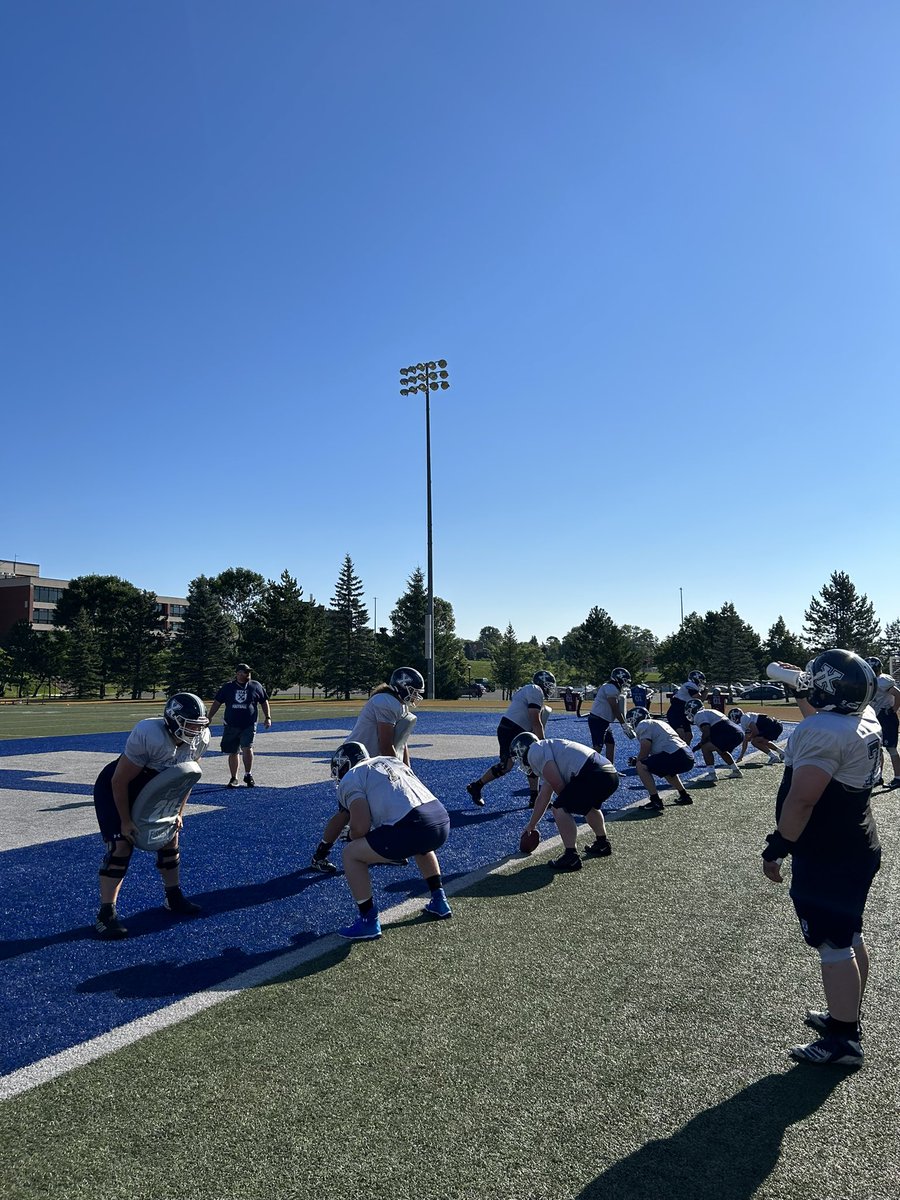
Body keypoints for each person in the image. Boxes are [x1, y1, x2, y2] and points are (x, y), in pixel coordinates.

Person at [761, 649, 882, 1067]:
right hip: (856, 841)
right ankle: (846, 1016)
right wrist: (802, 689)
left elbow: (803, 798)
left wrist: (778, 846)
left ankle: (843, 1041)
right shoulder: (861, 718)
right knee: (849, 935)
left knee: (833, 945)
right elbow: (820, 713)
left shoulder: (823, 732)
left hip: (829, 851)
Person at [92, 692, 210, 938]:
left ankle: (173, 896)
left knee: (170, 838)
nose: (195, 732)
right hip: (122, 787)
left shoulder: (200, 740)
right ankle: (106, 913)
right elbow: (119, 780)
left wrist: (178, 812)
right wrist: (125, 821)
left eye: (199, 726)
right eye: (190, 725)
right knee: (121, 846)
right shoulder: (149, 733)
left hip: (159, 788)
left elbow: (185, 778)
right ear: (173, 719)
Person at [311, 742, 452, 940]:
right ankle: (439, 899)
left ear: (346, 763)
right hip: (440, 820)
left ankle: (368, 920)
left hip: (412, 826)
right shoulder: (391, 761)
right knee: (421, 845)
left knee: (351, 854)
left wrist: (349, 835)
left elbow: (360, 827)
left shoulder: (352, 776)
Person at [513, 732, 618, 871]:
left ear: (521, 749)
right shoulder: (548, 748)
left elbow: (557, 785)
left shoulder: (535, 751)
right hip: (609, 774)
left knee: (559, 807)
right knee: (588, 806)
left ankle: (571, 856)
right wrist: (531, 825)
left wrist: (566, 805)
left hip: (593, 774)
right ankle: (602, 843)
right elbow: (544, 795)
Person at [466, 671, 556, 807]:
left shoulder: (529, 690)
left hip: (517, 729)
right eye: (548, 685)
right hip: (511, 730)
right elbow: (535, 720)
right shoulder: (535, 690)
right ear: (542, 683)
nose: (549, 688)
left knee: (532, 761)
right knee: (506, 766)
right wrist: (542, 742)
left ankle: (534, 798)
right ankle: (476, 786)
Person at [206, 663, 272, 787]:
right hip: (231, 724)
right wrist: (209, 717)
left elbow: (264, 701)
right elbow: (217, 702)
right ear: (238, 674)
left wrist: (267, 717)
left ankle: (248, 774)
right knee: (233, 751)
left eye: (248, 672)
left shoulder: (255, 685)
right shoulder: (228, 687)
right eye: (245, 672)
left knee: (247, 748)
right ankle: (233, 778)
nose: (248, 675)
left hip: (248, 723)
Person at [346, 667, 424, 765]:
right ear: (402, 686)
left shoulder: (400, 704)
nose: (416, 695)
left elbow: (401, 742)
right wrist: (398, 771)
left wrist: (407, 769)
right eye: (414, 691)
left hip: (371, 759)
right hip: (355, 759)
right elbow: (386, 746)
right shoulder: (386, 702)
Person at [626, 707, 695, 811]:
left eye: (631, 721)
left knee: (641, 766)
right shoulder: (659, 723)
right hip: (687, 755)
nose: (631, 724)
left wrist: (638, 760)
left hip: (676, 754)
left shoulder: (643, 724)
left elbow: (646, 746)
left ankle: (655, 801)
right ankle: (684, 795)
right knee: (666, 770)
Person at [685, 700, 743, 782]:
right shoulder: (709, 712)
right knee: (721, 751)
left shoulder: (699, 715)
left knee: (706, 748)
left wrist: (699, 745)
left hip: (728, 733)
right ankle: (736, 771)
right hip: (737, 733)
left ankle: (711, 774)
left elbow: (706, 732)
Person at [586, 668, 636, 764]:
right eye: (625, 681)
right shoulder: (610, 688)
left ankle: (610, 768)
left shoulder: (612, 688)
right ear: (618, 678)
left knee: (610, 744)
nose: (626, 683)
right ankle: (584, 768)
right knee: (598, 747)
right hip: (598, 719)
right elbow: (614, 708)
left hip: (603, 720)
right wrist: (624, 725)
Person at [866, 657, 900, 788]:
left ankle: (898, 777)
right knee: (877, 748)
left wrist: (893, 709)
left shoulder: (882, 680)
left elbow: (898, 694)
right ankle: (878, 776)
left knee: (891, 748)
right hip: (876, 717)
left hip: (886, 717)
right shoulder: (873, 680)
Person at [666, 671, 706, 742]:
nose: (701, 683)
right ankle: (674, 751)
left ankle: (685, 752)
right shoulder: (689, 684)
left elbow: (700, 701)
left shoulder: (692, 686)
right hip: (676, 712)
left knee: (689, 736)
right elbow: (697, 697)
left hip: (684, 712)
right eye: (700, 680)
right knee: (681, 735)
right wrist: (705, 692)